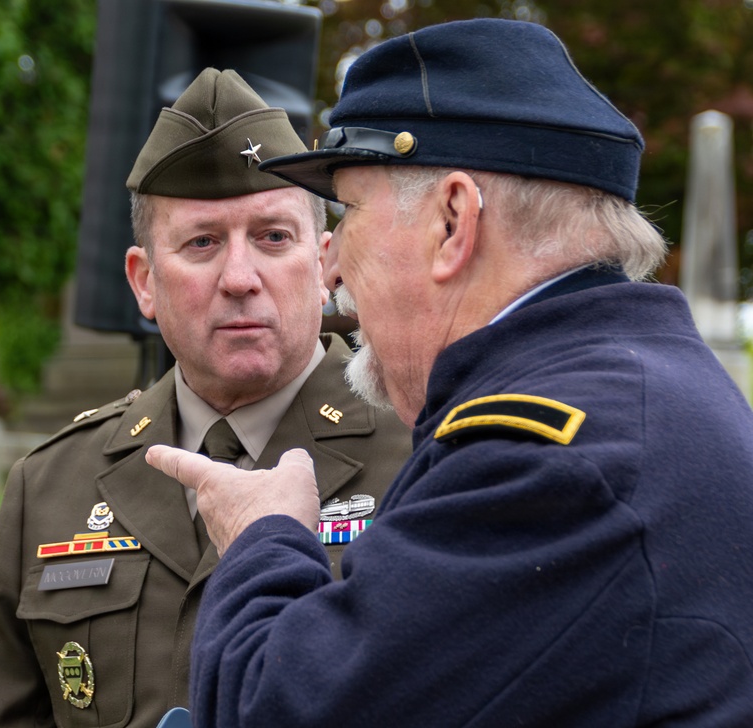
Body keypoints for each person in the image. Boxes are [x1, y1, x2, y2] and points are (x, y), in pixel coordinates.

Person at [145, 19, 753, 727]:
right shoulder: (647, 394)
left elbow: (281, 709)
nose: (330, 267)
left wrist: (264, 535)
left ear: (452, 221)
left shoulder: (543, 462)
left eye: (352, 213)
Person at [0, 68, 411, 727]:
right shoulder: (52, 486)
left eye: (274, 238)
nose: (241, 278)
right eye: (202, 243)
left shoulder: (422, 453)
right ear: (144, 282)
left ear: (323, 263)